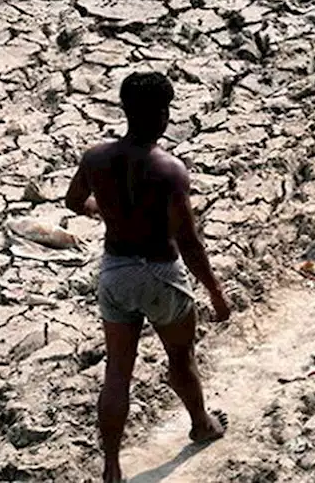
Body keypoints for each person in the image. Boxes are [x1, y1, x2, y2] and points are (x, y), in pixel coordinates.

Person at [65, 71, 230, 483]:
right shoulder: (169, 170)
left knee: (118, 373)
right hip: (160, 273)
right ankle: (200, 423)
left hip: (116, 272)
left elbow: (73, 200)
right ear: (162, 114)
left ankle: (112, 468)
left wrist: (100, 210)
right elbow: (189, 242)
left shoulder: (95, 157)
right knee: (180, 359)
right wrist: (216, 292)